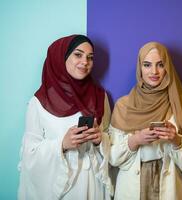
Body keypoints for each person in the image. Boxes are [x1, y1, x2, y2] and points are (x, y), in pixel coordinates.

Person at [18, 35, 113, 200]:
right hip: (63, 189)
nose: (85, 61)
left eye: (90, 57)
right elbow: (29, 154)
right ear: (61, 57)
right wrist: (62, 144)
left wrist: (100, 139)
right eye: (78, 54)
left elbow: (110, 138)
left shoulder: (99, 96)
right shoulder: (39, 102)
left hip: (93, 186)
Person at [109, 42, 182, 200]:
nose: (154, 71)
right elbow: (112, 158)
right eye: (147, 65)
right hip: (131, 187)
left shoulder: (181, 104)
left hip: (169, 187)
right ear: (140, 68)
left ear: (167, 67)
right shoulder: (124, 105)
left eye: (160, 64)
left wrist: (175, 140)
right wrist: (136, 140)